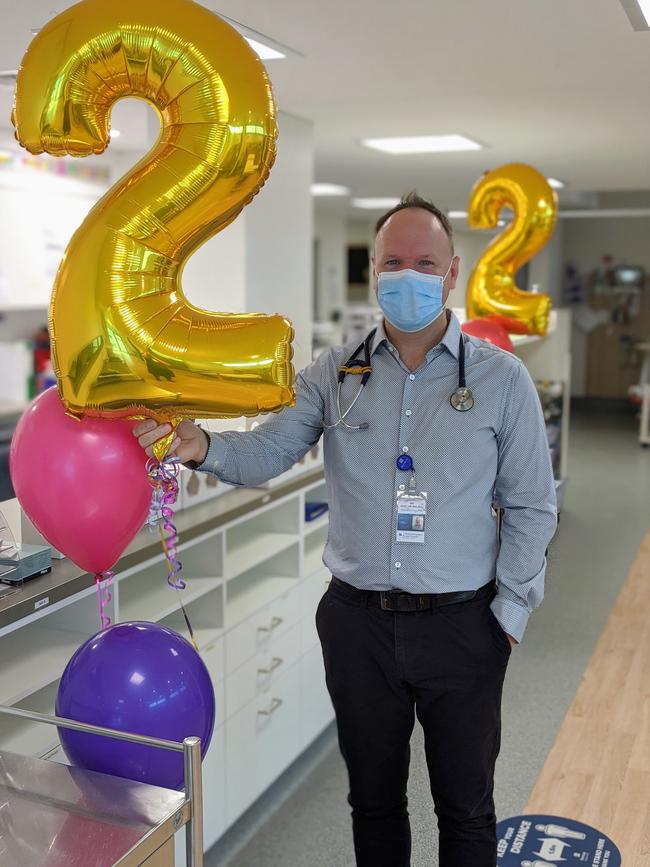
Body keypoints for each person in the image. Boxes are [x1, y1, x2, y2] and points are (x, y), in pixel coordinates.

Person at [134, 191, 558, 867]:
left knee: (466, 807)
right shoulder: (336, 373)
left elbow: (533, 504)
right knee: (374, 801)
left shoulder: (501, 379)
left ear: (451, 274)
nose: (409, 274)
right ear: (374, 274)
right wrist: (201, 445)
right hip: (358, 626)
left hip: (463, 625)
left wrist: (509, 612)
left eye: (426, 262)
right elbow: (270, 451)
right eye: (394, 260)